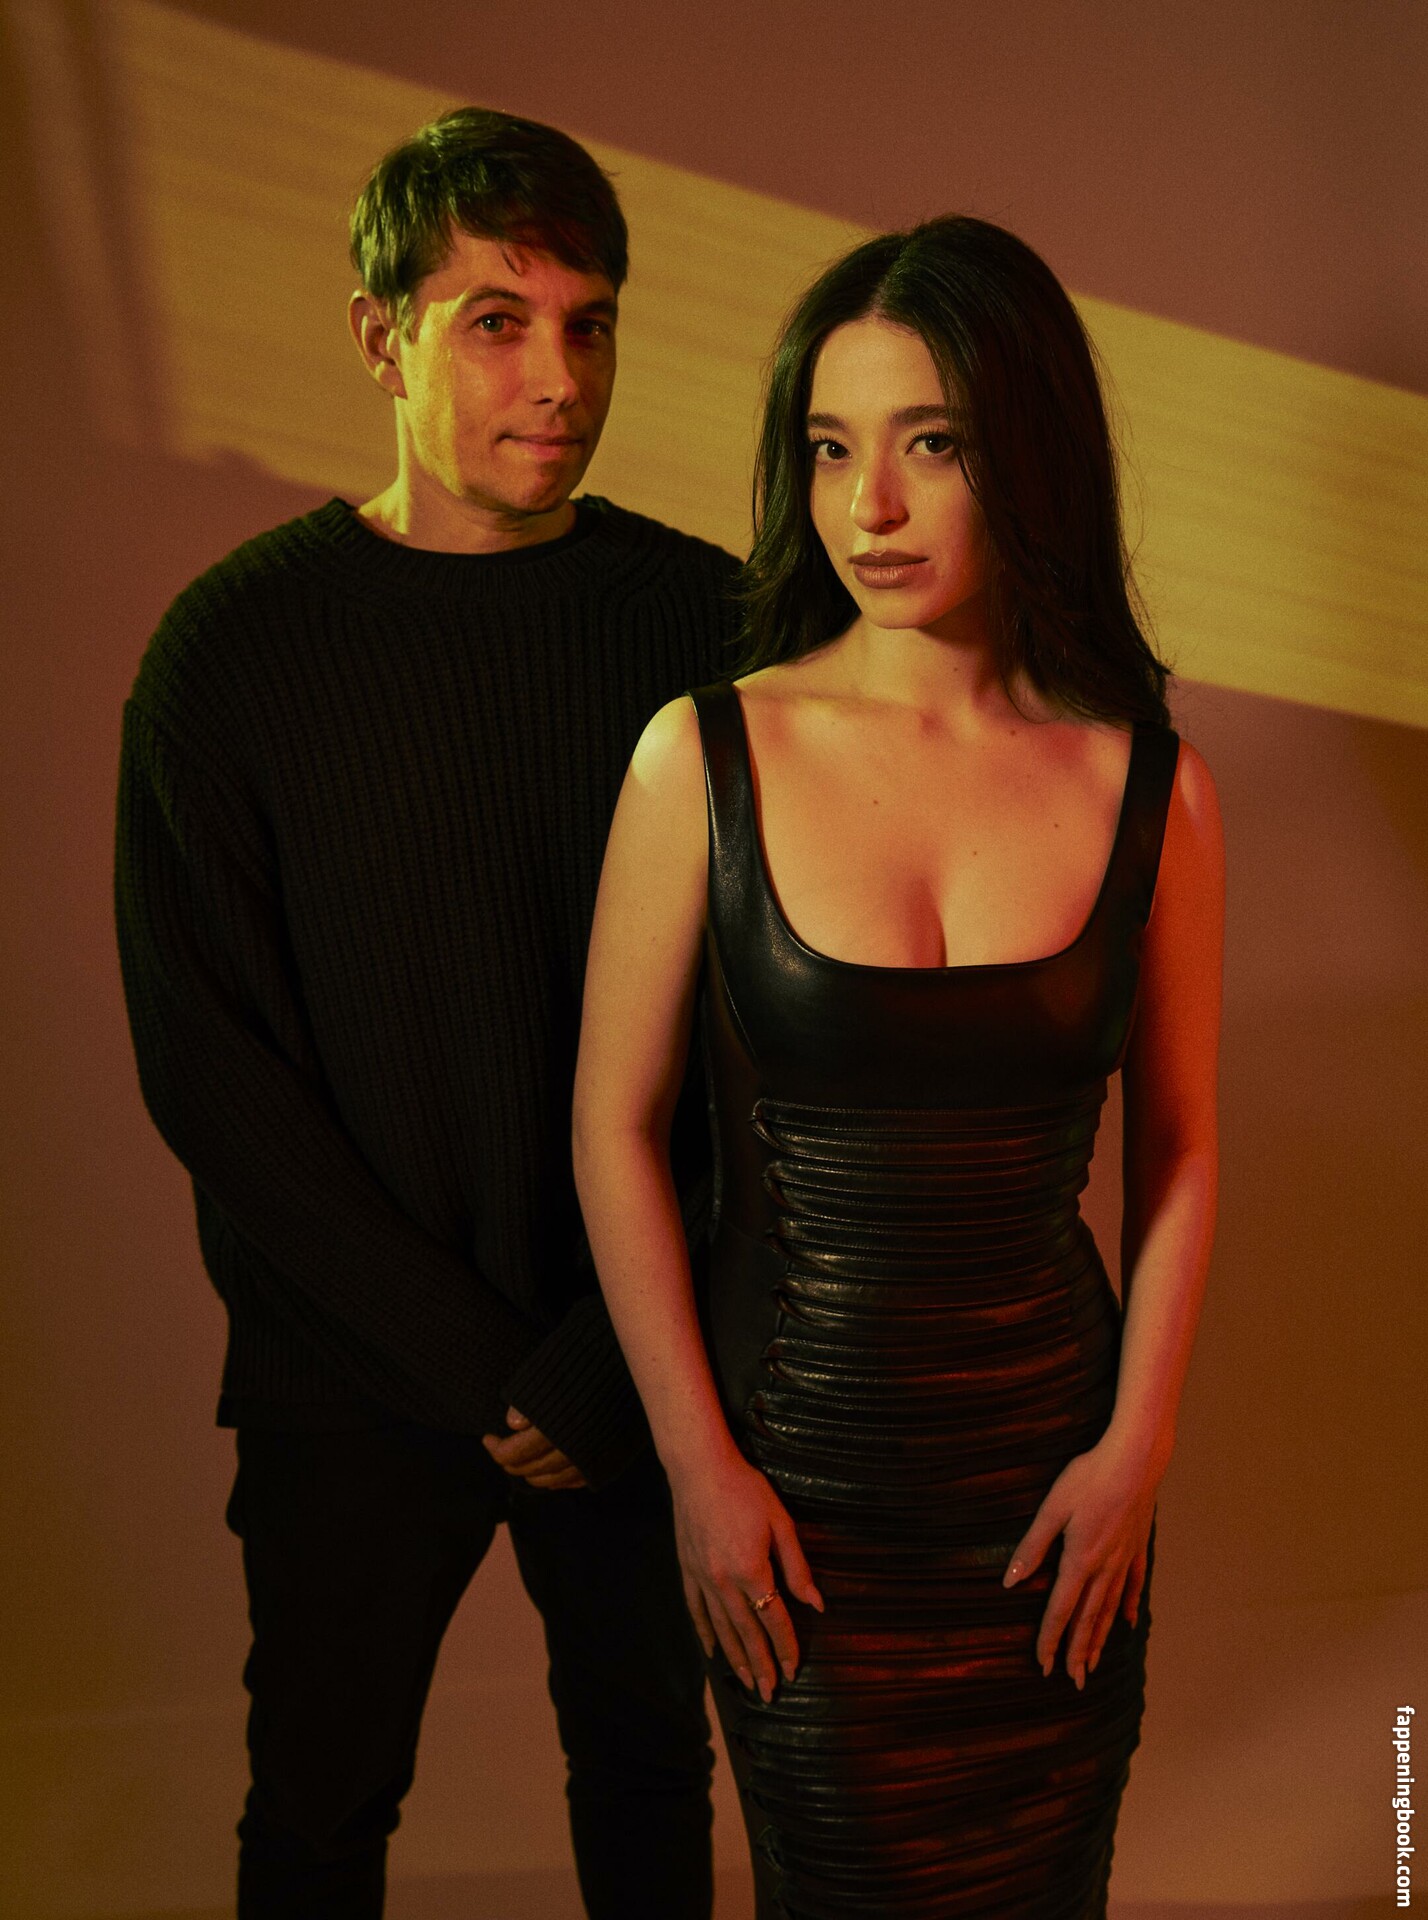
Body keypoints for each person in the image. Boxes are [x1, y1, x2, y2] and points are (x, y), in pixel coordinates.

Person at [114, 108, 737, 1919]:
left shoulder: (711, 625)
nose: (559, 377)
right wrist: (482, 1370)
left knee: (652, 1784)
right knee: (319, 1811)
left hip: (635, 1354)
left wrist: (605, 1358)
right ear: (380, 336)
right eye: (496, 321)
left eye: (590, 323)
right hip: (349, 1374)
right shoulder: (232, 653)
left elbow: (764, 1041)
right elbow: (210, 1072)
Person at [573, 214, 1224, 1916]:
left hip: (1052, 1492)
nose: (868, 505)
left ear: (1029, 454)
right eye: (830, 448)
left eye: (931, 445)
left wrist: (1136, 1452)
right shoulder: (702, 757)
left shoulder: (1150, 786)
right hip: (797, 1507)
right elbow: (612, 1130)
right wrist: (698, 1470)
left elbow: (1183, 1149)